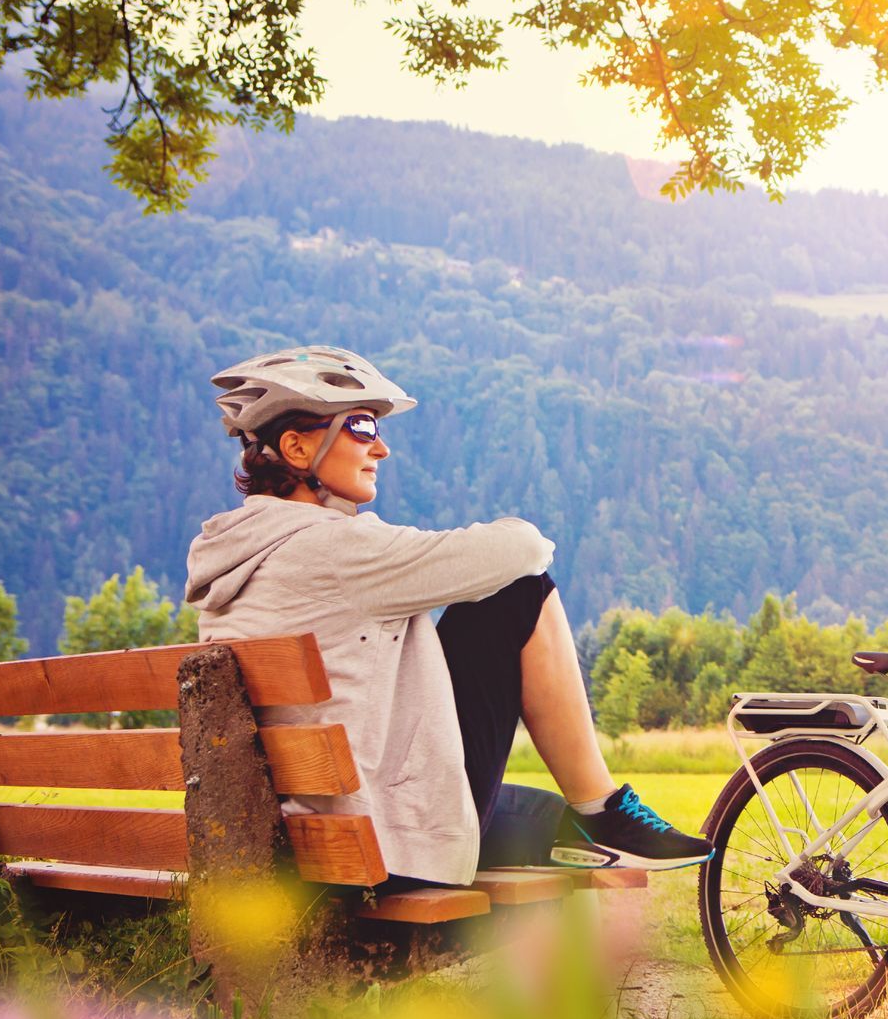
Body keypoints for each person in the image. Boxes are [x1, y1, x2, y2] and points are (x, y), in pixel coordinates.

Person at [183, 344, 709, 889]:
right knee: (518, 591)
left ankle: (583, 829)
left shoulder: (233, 557)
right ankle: (603, 808)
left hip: (300, 835)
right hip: (374, 848)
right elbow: (525, 548)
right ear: (296, 446)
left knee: (544, 818)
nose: (381, 448)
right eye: (361, 427)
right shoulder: (336, 550)